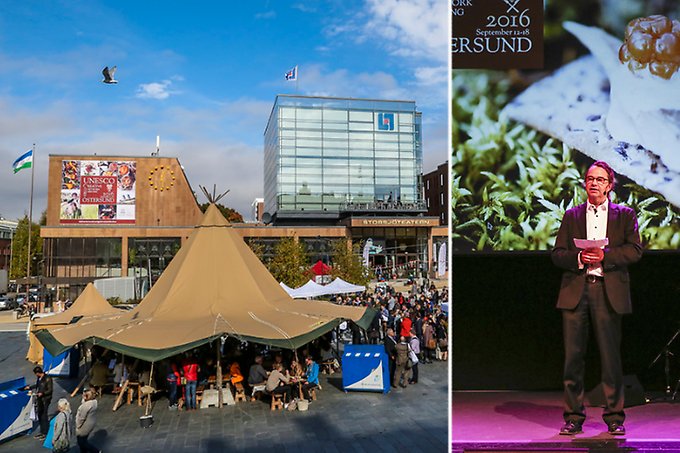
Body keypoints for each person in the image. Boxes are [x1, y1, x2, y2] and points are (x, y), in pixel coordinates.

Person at [552, 161, 642, 436]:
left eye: (600, 179)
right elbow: (557, 253)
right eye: (590, 179)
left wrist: (607, 256)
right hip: (576, 291)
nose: (594, 183)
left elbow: (635, 250)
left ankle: (614, 417)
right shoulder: (572, 215)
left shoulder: (624, 215)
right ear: (584, 184)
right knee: (573, 359)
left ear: (609, 185)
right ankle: (573, 417)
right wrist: (578, 257)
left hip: (607, 290)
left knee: (610, 358)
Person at [24, 366, 53, 440]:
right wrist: (30, 387)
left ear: (38, 373)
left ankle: (45, 432)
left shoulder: (48, 379)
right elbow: (37, 385)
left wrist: (42, 393)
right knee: (40, 415)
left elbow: (50, 390)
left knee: (44, 415)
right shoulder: (39, 378)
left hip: (45, 399)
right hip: (40, 399)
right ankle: (42, 431)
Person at [75, 388, 99, 453]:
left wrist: (78, 426)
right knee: (83, 441)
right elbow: (84, 402)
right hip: (90, 424)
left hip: (84, 427)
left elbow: (81, 418)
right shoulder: (94, 402)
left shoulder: (86, 406)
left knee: (82, 442)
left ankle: (96, 451)